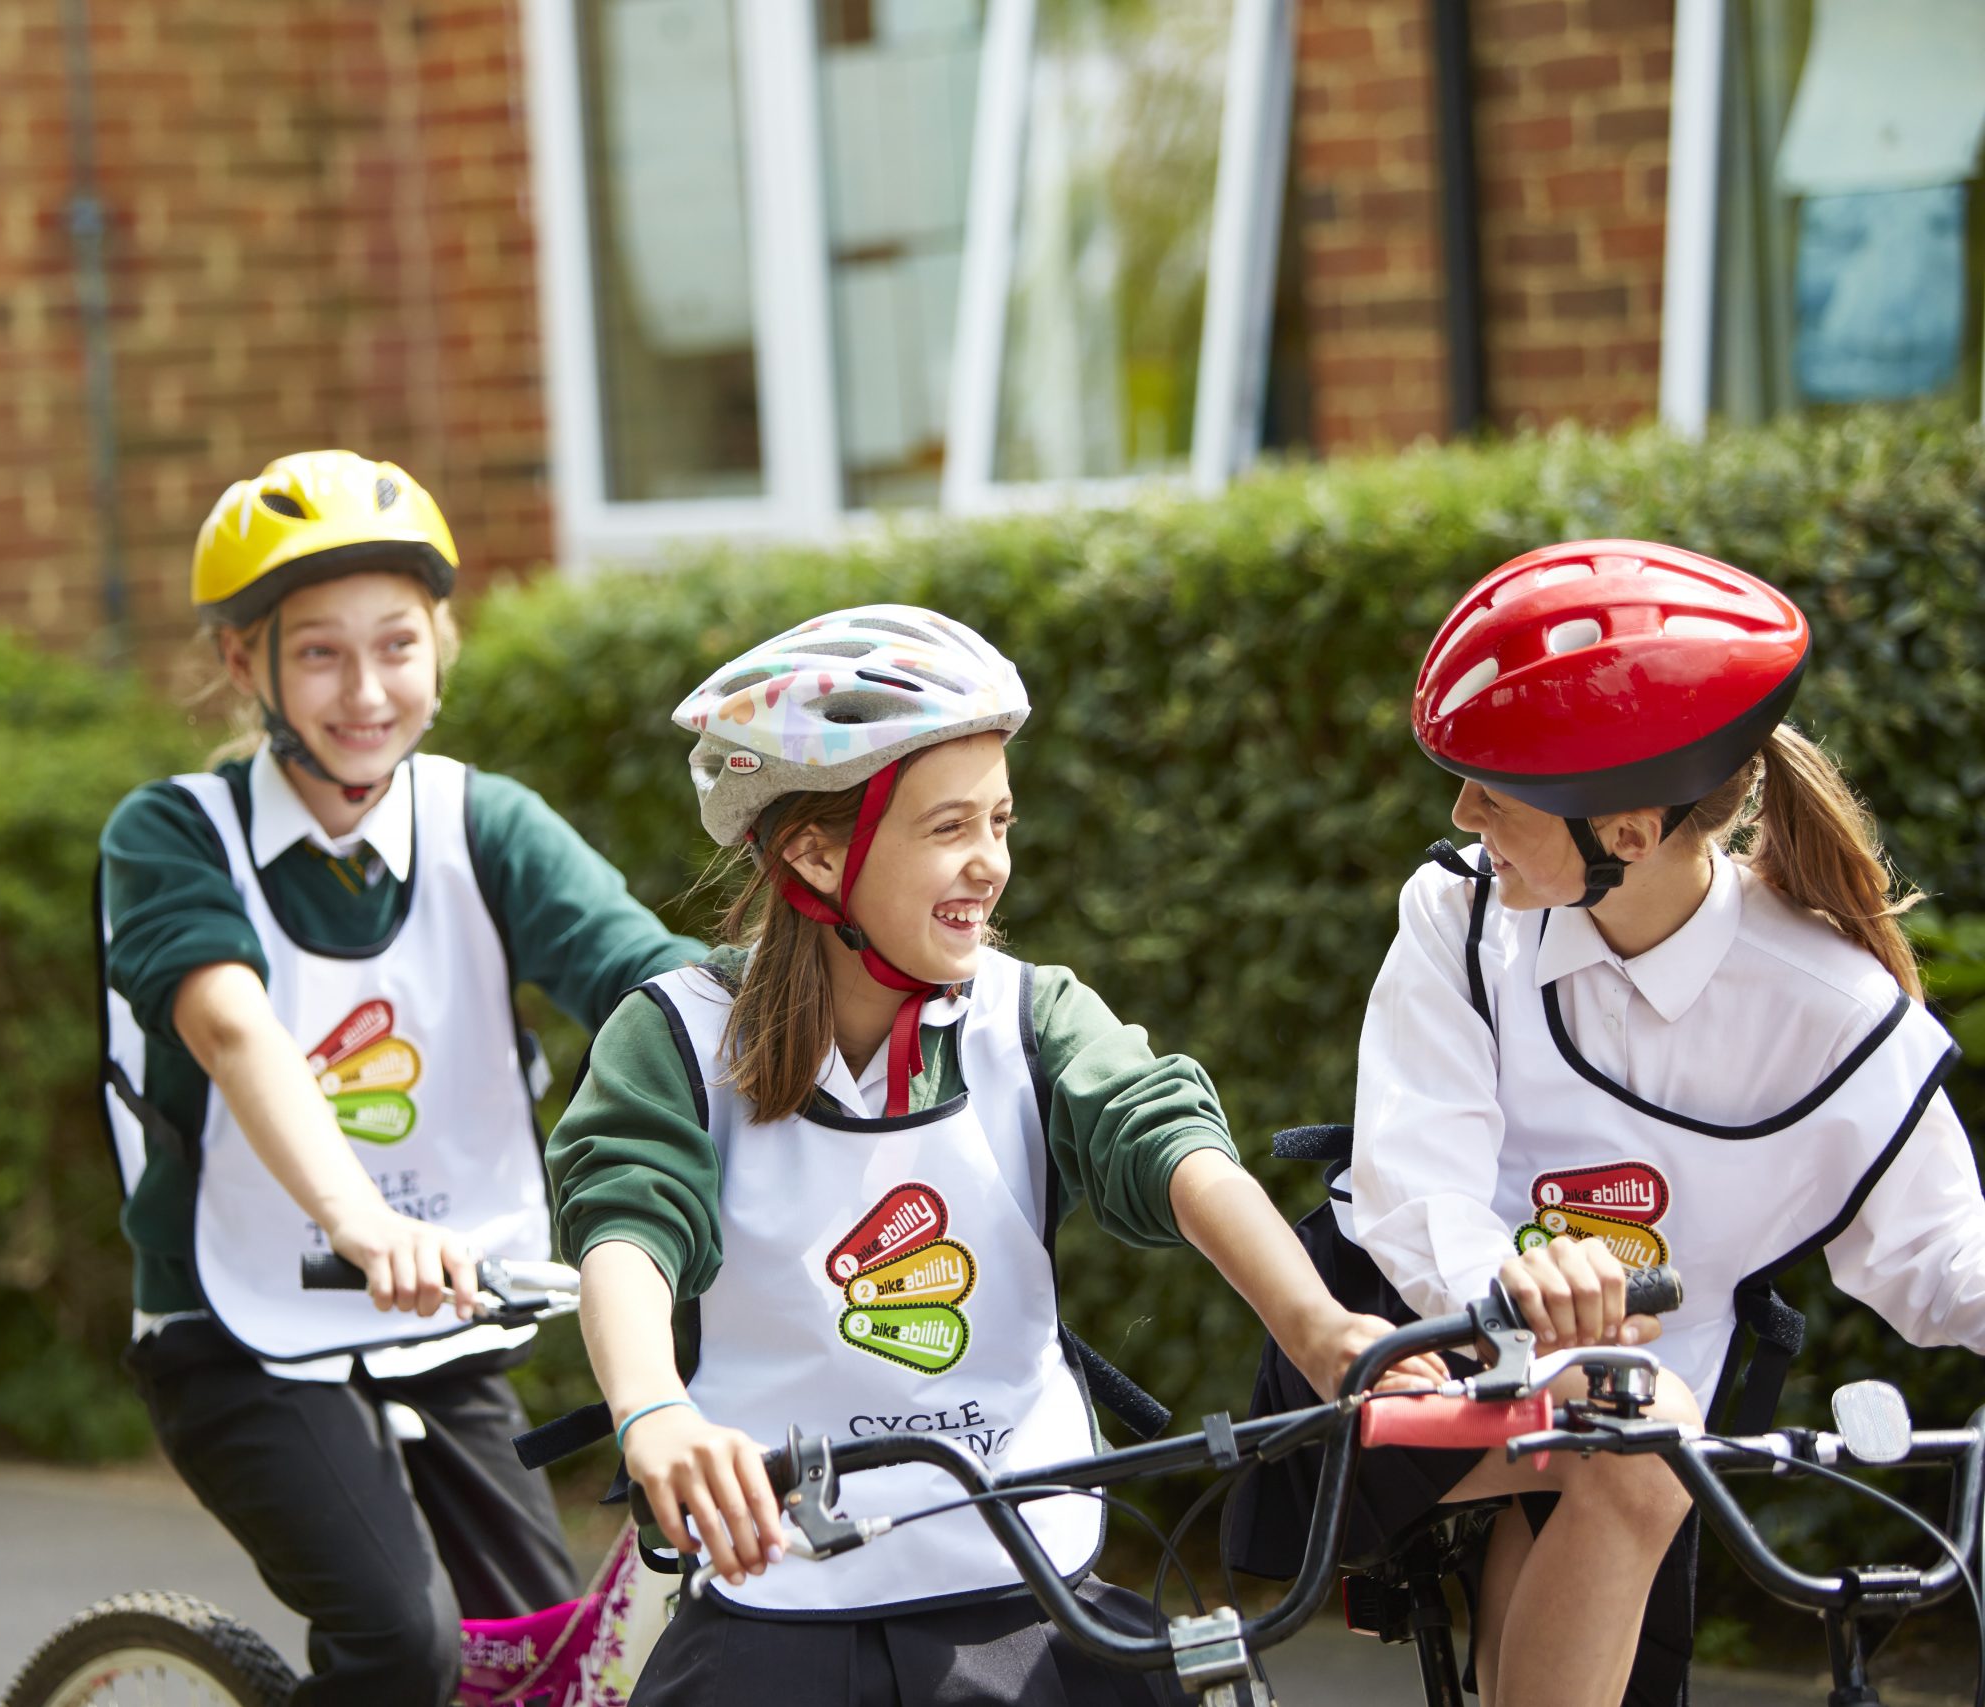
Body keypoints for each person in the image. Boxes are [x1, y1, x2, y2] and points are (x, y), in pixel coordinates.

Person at [547, 604, 1442, 1707]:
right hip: (776, 1579)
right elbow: (626, 1228)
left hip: (1021, 1570)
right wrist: (653, 1413)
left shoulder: (1028, 1015)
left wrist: (1320, 1329)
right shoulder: (678, 1031)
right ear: (815, 854)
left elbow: (1169, 1145)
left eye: (1000, 823)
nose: (991, 865)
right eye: (947, 829)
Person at [1229, 539, 1985, 1707]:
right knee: (1632, 1434)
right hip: (1405, 1355)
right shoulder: (1457, 915)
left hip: (1634, 1432)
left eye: (1495, 789)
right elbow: (1408, 1189)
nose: (1460, 810)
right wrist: (1516, 1288)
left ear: (1625, 834)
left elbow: (1939, 1261)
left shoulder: (1831, 1008)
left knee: (1630, 1448)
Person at [97, 449, 702, 1706]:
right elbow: (234, 1031)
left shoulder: (488, 825)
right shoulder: (169, 837)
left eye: (397, 644)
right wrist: (360, 1221)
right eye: (317, 652)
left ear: (443, 645)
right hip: (239, 1327)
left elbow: (653, 988)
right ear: (241, 665)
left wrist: (835, 1023)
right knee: (401, 1647)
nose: (366, 690)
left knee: (552, 1665)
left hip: (441, 1320)